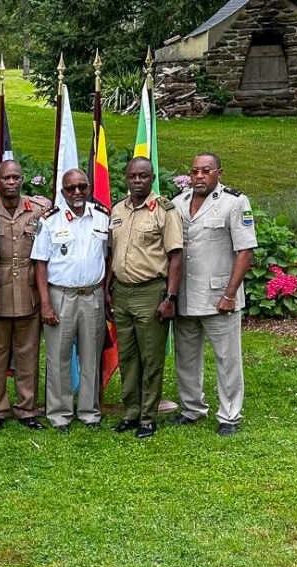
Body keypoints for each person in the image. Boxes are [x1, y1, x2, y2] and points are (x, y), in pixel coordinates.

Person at [169, 153, 257, 436]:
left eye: (206, 171)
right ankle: (192, 408)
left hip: (220, 296)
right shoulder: (178, 202)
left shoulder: (234, 202)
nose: (198, 176)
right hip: (184, 295)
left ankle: (230, 415)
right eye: (194, 171)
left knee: (227, 359)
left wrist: (230, 294)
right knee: (186, 357)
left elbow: (245, 251)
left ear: (219, 172)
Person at [107, 157, 183, 439]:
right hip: (122, 293)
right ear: (126, 178)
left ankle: (148, 418)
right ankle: (131, 412)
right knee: (127, 356)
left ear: (152, 178)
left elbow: (175, 256)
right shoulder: (117, 210)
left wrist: (170, 297)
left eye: (143, 176)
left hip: (152, 292)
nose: (137, 181)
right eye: (132, 176)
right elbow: (112, 254)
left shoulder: (164, 211)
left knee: (150, 359)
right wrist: (107, 289)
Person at [30, 169, 110, 433]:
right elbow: (40, 264)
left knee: (91, 357)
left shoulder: (101, 217)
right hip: (60, 295)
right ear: (62, 192)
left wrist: (105, 289)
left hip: (92, 295)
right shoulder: (51, 221)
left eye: (81, 187)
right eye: (70, 188)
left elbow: (108, 257)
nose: (76, 193)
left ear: (88, 188)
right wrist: (45, 304)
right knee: (58, 357)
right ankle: (60, 413)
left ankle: (89, 412)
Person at [0, 160, 48, 432]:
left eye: (16, 178)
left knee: (28, 355)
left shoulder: (38, 210)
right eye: (6, 178)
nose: (11, 182)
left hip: (28, 290)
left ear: (22, 180)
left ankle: (26, 408)